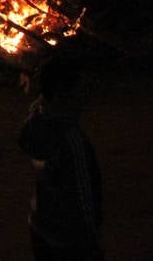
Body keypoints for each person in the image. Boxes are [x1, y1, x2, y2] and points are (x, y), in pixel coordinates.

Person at [19, 57, 102, 260]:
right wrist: (90, 236)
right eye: (79, 91)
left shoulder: (37, 122)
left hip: (41, 226)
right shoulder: (71, 140)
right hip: (70, 237)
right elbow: (84, 194)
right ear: (62, 95)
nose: (84, 98)